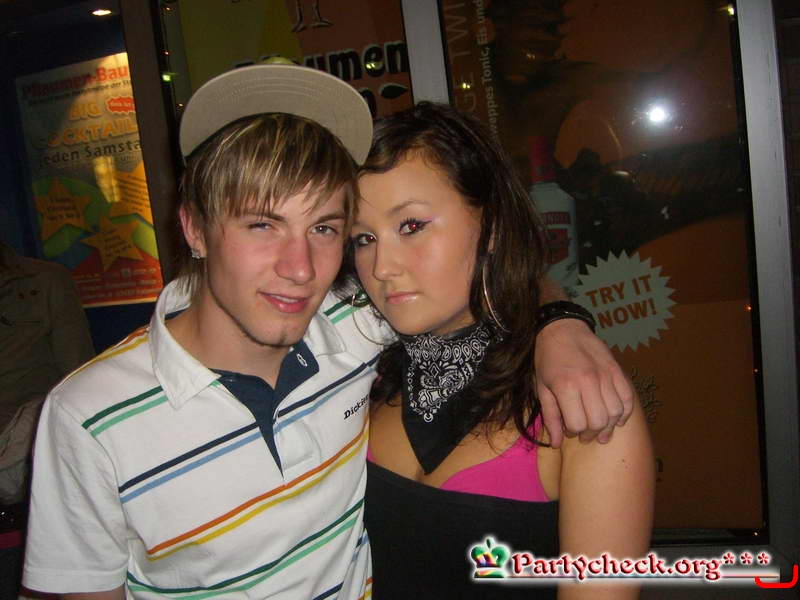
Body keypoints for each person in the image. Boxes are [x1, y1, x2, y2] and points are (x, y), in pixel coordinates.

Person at [23, 64, 635, 599]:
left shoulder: (355, 330)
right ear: (194, 228)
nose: (300, 269)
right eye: (262, 224)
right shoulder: (88, 417)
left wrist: (559, 325)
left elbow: (490, 285)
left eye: (324, 229)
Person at [352, 102, 655, 599]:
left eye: (411, 226)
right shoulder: (357, 373)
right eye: (363, 238)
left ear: (490, 225)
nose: (382, 266)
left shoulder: (580, 403)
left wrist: (558, 322)